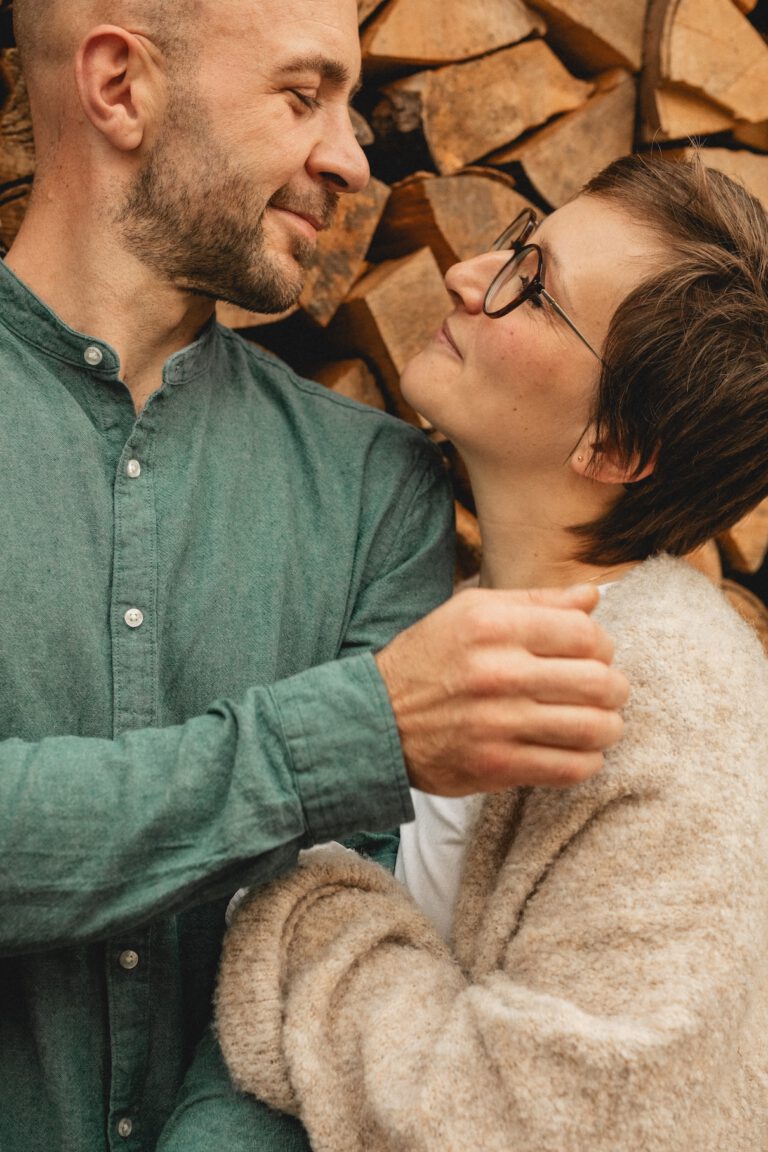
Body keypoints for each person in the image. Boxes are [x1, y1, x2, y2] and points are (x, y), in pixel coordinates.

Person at [0, 1, 630, 1149]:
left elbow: (329, 949)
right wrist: (339, 739)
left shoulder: (375, 486)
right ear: (118, 87)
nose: (353, 157)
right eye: (304, 95)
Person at [216, 153, 768, 1151]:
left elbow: (545, 1124)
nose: (469, 272)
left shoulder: (675, 698)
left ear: (614, 442)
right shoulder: (433, 610)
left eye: (532, 286)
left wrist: (302, 922)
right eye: (518, 241)